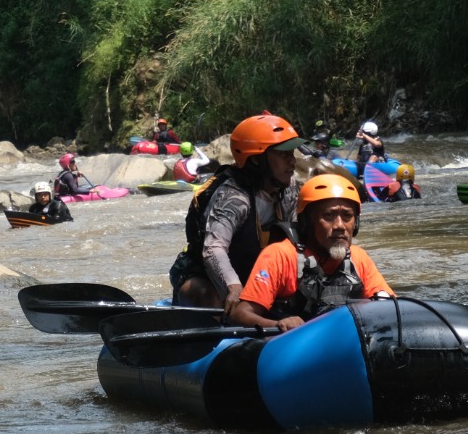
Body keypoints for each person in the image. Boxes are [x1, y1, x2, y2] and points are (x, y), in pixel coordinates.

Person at [169, 112, 304, 314]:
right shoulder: (232, 197)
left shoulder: (289, 189)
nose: (292, 162)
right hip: (202, 275)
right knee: (211, 298)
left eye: (292, 153)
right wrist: (232, 286)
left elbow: (299, 241)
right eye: (283, 154)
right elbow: (213, 249)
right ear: (257, 160)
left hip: (254, 274)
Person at [230, 173, 395, 331]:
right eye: (329, 215)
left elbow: (391, 306)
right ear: (307, 223)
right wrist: (278, 324)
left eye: (347, 216)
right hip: (292, 346)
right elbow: (241, 314)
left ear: (356, 224)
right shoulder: (279, 255)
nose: (340, 225)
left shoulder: (358, 257)